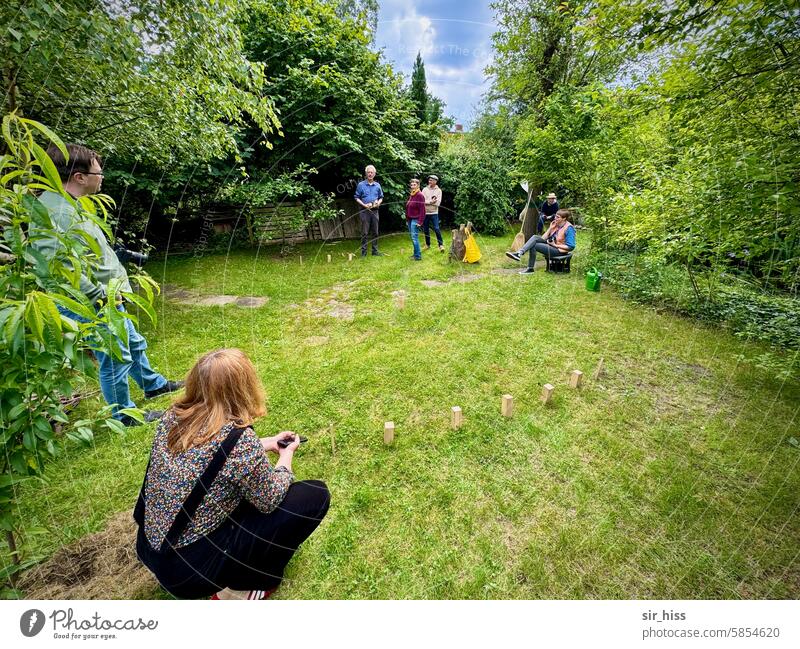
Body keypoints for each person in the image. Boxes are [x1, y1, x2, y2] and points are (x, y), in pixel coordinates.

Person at [134, 348, 330, 600]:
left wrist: (266, 442)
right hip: (191, 572)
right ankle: (251, 583)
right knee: (314, 496)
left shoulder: (172, 417)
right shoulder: (240, 442)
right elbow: (270, 498)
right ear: (243, 387)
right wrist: (286, 456)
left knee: (242, 498)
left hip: (154, 551)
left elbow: (205, 457)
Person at [35, 144, 182, 426]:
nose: (101, 176)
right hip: (92, 300)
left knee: (133, 343)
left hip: (107, 296)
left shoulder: (67, 205)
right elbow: (56, 266)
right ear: (79, 176)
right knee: (114, 356)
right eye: (98, 171)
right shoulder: (56, 212)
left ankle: (153, 385)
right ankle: (124, 415)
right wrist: (97, 294)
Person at [506, 209, 576, 274]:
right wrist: (550, 228)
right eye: (555, 216)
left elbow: (571, 246)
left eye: (558, 217)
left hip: (559, 251)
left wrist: (555, 245)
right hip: (552, 245)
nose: (555, 218)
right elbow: (543, 238)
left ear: (564, 218)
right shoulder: (556, 225)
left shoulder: (569, 228)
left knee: (534, 245)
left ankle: (529, 267)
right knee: (535, 237)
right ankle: (520, 253)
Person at [354, 164, 384, 257]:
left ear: (374, 174)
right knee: (365, 233)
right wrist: (364, 205)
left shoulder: (377, 185)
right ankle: (364, 253)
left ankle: (375, 251)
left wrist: (378, 203)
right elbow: (356, 197)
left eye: (372, 172)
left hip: (375, 211)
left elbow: (381, 197)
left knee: (375, 232)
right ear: (366, 174)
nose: (370, 174)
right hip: (364, 211)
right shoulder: (361, 185)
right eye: (368, 172)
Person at [421, 174, 444, 252]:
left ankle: (441, 245)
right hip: (425, 213)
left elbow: (438, 203)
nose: (429, 181)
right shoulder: (424, 189)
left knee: (437, 228)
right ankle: (427, 245)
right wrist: (430, 202)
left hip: (434, 213)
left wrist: (428, 202)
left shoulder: (438, 191)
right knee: (426, 229)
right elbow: (422, 201)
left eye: (431, 180)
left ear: (435, 181)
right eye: (429, 180)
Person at [406, 178, 426, 261]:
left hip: (416, 219)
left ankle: (418, 256)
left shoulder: (420, 195)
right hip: (410, 219)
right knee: (412, 237)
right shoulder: (412, 194)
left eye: (415, 185)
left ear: (418, 185)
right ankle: (415, 254)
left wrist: (420, 221)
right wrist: (407, 220)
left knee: (414, 238)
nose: (413, 186)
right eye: (411, 185)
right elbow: (408, 207)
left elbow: (422, 210)